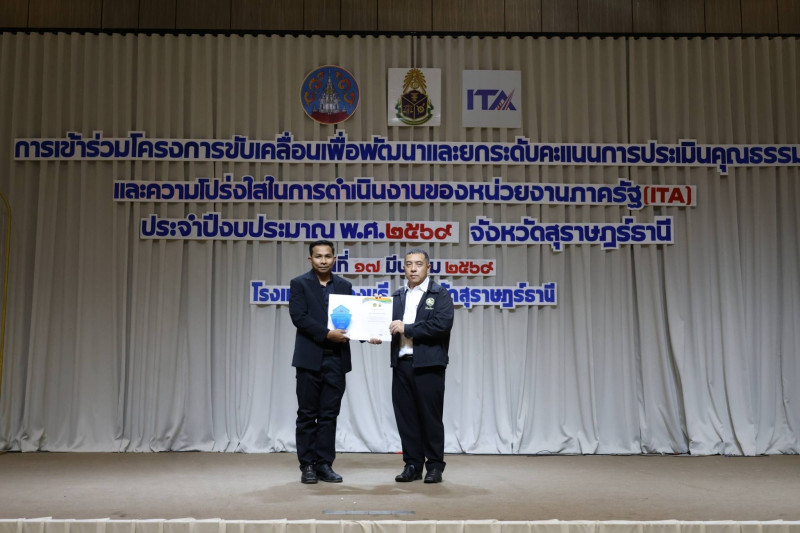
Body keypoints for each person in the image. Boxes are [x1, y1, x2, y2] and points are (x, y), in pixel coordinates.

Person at [388, 248, 454, 483]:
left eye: (418, 264)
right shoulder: (398, 295)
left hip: (429, 366)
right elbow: (386, 325)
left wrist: (407, 328)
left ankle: (434, 466)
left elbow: (441, 325)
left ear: (428, 267)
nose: (413, 268)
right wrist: (372, 335)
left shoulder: (440, 294)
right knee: (406, 419)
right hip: (402, 364)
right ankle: (413, 465)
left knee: (430, 419)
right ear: (404, 268)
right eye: (408, 264)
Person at [289, 239, 352, 484]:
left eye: (327, 256)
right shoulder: (299, 284)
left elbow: (352, 320)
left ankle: (324, 464)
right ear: (310, 259)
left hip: (336, 359)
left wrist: (370, 333)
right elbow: (299, 317)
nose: (323, 260)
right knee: (307, 414)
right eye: (318, 256)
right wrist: (326, 334)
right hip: (309, 359)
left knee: (329, 415)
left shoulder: (345, 286)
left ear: (334, 259)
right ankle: (307, 465)